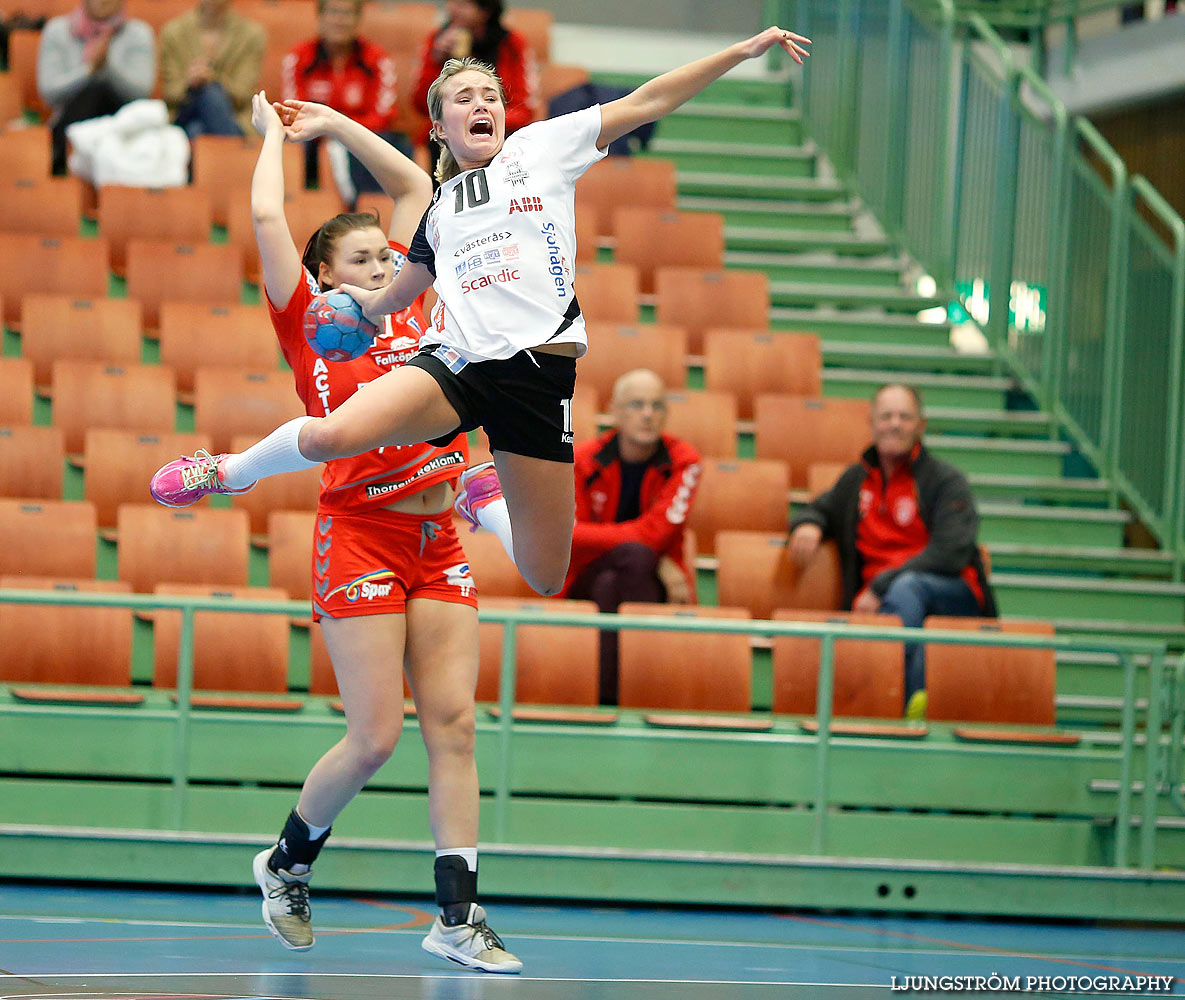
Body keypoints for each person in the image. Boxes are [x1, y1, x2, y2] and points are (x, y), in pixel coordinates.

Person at [150, 26, 812, 605]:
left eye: (489, 96)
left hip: (536, 378)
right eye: (462, 98)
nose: (481, 105)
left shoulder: (543, 149)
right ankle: (226, 472)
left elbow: (647, 101)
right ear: (439, 127)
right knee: (328, 437)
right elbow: (393, 298)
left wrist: (740, 50)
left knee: (544, 574)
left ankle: (482, 499)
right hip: (456, 364)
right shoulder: (438, 211)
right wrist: (354, 310)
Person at [239, 90, 520, 973]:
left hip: (438, 538)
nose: (378, 265)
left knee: (456, 726)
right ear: (324, 277)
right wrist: (271, 140)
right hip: (359, 535)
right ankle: (286, 863)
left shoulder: (408, 304)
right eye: (359, 259)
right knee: (375, 737)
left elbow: (410, 182)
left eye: (384, 255)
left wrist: (333, 123)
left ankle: (457, 915)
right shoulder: (306, 323)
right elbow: (263, 214)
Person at [787, 383, 998, 719]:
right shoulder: (857, 480)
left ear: (921, 426)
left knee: (908, 588)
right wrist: (809, 524)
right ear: (872, 423)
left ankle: (897, 701)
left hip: (952, 595)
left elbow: (951, 552)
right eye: (886, 416)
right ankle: (909, 705)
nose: (895, 424)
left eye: (904, 416)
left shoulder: (945, 480)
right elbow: (820, 508)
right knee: (902, 597)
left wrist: (880, 585)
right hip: (886, 603)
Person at [561, 369, 700, 704]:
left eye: (656, 405)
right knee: (634, 557)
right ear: (615, 411)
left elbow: (655, 535)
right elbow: (569, 535)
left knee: (622, 575)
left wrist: (650, 551)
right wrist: (657, 556)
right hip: (584, 578)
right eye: (637, 404)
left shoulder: (684, 461)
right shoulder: (583, 459)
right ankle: (638, 695)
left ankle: (605, 699)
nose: (648, 414)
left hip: (644, 582)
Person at [281, 0, 408, 205]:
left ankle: (364, 206)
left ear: (358, 19)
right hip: (312, 140)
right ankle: (304, 207)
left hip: (361, 139)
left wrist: (342, 130)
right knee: (287, 140)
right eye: (333, 12)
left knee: (389, 142)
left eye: (347, 14)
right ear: (320, 17)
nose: (339, 20)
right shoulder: (298, 57)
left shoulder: (377, 59)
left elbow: (383, 116)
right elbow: (293, 110)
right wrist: (328, 130)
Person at [412, 0, 538, 175]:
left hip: (501, 131)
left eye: (462, 5)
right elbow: (420, 105)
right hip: (450, 134)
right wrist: (436, 61)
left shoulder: (512, 44)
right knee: (440, 138)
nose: (452, 9)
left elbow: (525, 109)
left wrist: (482, 118)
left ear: (484, 11)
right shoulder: (437, 40)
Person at [36, 0, 154, 174]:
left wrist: (108, 68)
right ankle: (64, 154)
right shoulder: (57, 31)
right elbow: (49, 92)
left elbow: (142, 91)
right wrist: (89, 71)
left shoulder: (139, 33)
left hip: (120, 123)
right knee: (93, 90)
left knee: (101, 90)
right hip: (71, 119)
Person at [159, 0, 264, 139]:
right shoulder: (174, 32)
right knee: (206, 92)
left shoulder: (251, 35)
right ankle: (233, 154)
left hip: (232, 115)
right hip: (184, 111)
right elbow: (171, 93)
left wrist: (212, 79)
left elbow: (243, 94)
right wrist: (190, 82)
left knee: (196, 130)